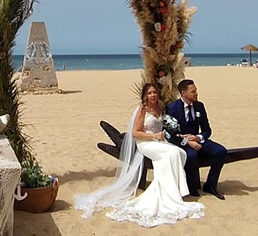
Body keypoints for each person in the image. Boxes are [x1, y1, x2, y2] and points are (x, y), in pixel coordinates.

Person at [74, 83, 204, 227]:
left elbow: (165, 126)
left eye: (154, 92)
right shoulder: (142, 110)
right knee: (171, 153)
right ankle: (168, 192)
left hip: (160, 141)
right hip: (145, 143)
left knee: (179, 153)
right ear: (145, 96)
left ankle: (173, 189)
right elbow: (136, 133)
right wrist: (154, 135)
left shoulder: (160, 108)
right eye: (149, 93)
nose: (153, 95)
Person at [166, 79, 227, 200]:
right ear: (183, 93)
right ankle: (191, 186)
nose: (196, 93)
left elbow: (207, 130)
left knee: (221, 151)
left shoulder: (199, 106)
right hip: (183, 143)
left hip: (198, 140)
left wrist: (198, 137)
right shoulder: (172, 108)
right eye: (193, 91)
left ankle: (210, 185)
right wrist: (188, 142)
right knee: (192, 155)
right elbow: (170, 135)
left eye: (196, 90)